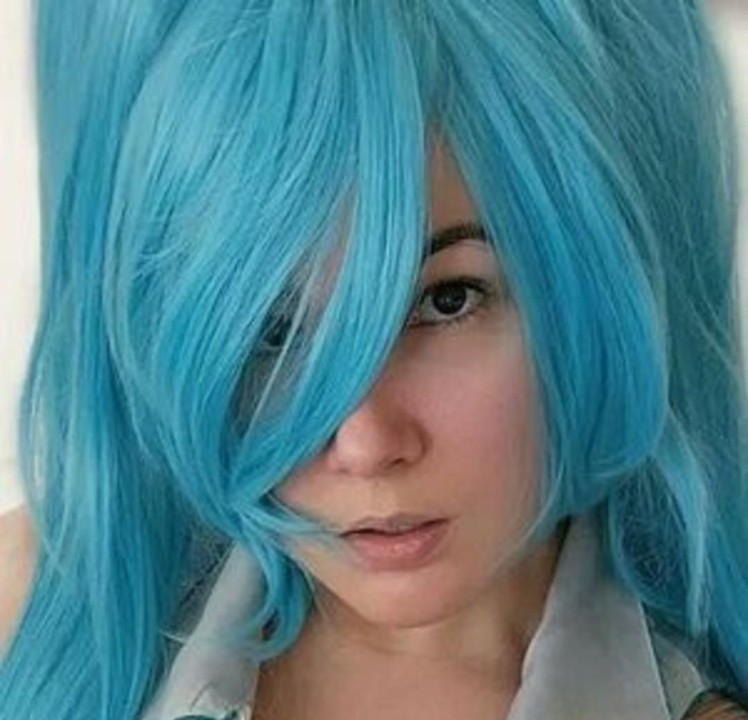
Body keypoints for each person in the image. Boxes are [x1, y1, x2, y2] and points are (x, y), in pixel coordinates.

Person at [1, 1, 747, 718]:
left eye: (447, 300)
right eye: (271, 331)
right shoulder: (36, 613)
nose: (364, 444)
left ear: (589, 296)